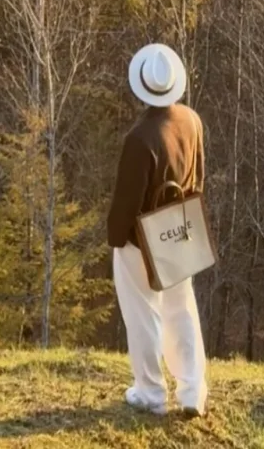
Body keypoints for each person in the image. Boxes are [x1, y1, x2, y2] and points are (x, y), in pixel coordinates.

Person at [107, 42, 208, 418]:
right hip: (180, 227)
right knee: (183, 310)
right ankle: (192, 391)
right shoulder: (192, 121)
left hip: (142, 238)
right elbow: (198, 178)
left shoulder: (140, 139)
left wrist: (117, 239)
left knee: (143, 313)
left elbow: (127, 201)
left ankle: (151, 393)